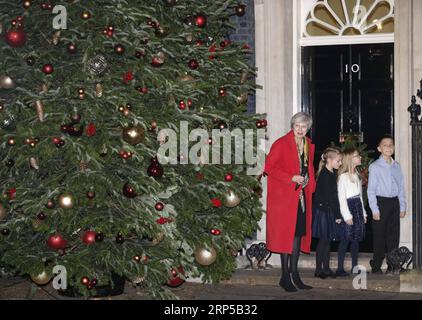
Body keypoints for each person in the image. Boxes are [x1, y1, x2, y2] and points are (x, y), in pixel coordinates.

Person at [264, 112, 316, 292]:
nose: (301, 130)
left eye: (304, 127)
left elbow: (308, 167)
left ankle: (295, 274)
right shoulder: (281, 143)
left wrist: (309, 181)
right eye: (297, 126)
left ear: (308, 128)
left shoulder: (308, 144)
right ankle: (285, 276)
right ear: (292, 126)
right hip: (284, 199)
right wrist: (291, 178)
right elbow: (269, 168)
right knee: (286, 236)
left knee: (297, 236)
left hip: (300, 198)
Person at [367, 135, 407, 275]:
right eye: (385, 145)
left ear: (394, 147)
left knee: (393, 236)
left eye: (391, 144)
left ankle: (393, 265)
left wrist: (402, 206)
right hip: (381, 203)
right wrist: (374, 209)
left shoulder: (397, 166)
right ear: (379, 149)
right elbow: (371, 190)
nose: (389, 147)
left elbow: (401, 187)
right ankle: (376, 266)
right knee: (379, 236)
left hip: (394, 203)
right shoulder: (375, 167)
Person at [336, 148, 367, 276]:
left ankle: (355, 267)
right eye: (356, 155)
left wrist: (364, 213)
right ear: (350, 159)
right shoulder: (342, 177)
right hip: (348, 208)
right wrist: (347, 215)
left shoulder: (357, 175)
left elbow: (359, 197)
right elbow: (341, 198)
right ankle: (339, 268)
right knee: (345, 239)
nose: (359, 157)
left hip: (357, 207)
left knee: (355, 239)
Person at [312, 147, 342, 279]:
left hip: (327, 210)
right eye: (338, 160)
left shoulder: (330, 173)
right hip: (323, 211)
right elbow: (331, 197)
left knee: (327, 240)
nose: (340, 163)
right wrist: (337, 214)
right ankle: (319, 270)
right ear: (329, 160)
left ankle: (326, 268)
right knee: (323, 240)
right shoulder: (325, 174)